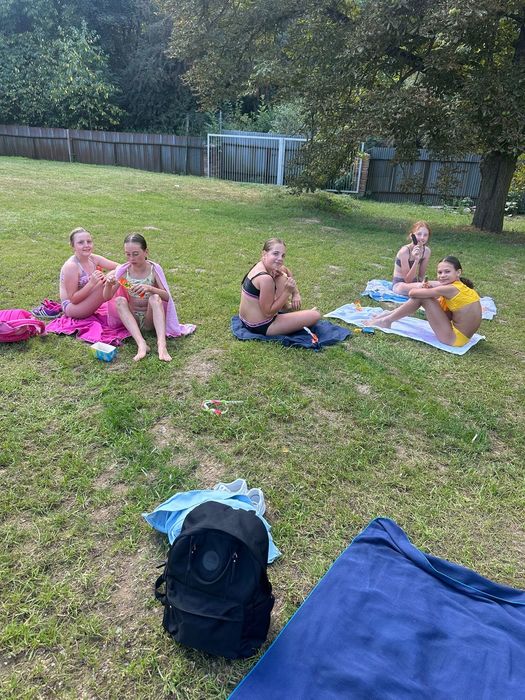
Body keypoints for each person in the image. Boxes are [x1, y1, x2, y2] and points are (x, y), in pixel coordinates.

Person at [103, 233, 184, 362]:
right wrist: (108, 284)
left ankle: (161, 345)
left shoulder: (153, 270)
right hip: (133, 320)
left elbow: (167, 297)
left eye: (135, 254)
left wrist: (150, 288)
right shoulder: (124, 272)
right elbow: (107, 297)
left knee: (155, 298)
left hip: (149, 320)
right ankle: (141, 344)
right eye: (128, 254)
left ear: (146, 252)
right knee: (119, 300)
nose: (131, 258)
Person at [372, 256, 481, 346]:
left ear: (458, 272)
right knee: (427, 297)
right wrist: (429, 290)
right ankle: (388, 316)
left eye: (447, 272)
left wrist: (423, 288)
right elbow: (448, 316)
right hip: (462, 338)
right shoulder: (461, 287)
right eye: (440, 272)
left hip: (453, 339)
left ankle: (387, 320)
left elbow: (412, 293)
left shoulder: (450, 289)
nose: (442, 275)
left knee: (423, 297)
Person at [239, 238, 321, 335]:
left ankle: (285, 309)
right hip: (261, 326)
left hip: (245, 319)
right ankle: (286, 311)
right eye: (275, 254)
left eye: (283, 255)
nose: (280, 259)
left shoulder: (260, 265)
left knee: (281, 272)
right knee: (315, 315)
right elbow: (268, 313)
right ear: (264, 254)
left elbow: (285, 270)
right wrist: (287, 292)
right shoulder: (265, 279)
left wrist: (296, 294)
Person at [59, 227, 118, 318]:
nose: (86, 245)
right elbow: (73, 299)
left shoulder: (93, 258)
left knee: (118, 273)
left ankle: (134, 291)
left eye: (89, 241)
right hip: (73, 307)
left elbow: (120, 267)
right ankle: (135, 294)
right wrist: (91, 283)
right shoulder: (71, 266)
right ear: (72, 245)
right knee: (114, 277)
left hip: (86, 299)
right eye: (81, 242)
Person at [392, 221, 432, 295]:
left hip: (415, 284)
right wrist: (416, 260)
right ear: (412, 236)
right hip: (400, 285)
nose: (422, 237)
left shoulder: (426, 251)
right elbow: (408, 280)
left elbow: (421, 276)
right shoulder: (404, 251)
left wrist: (425, 283)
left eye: (425, 235)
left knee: (437, 285)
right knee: (423, 287)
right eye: (419, 234)